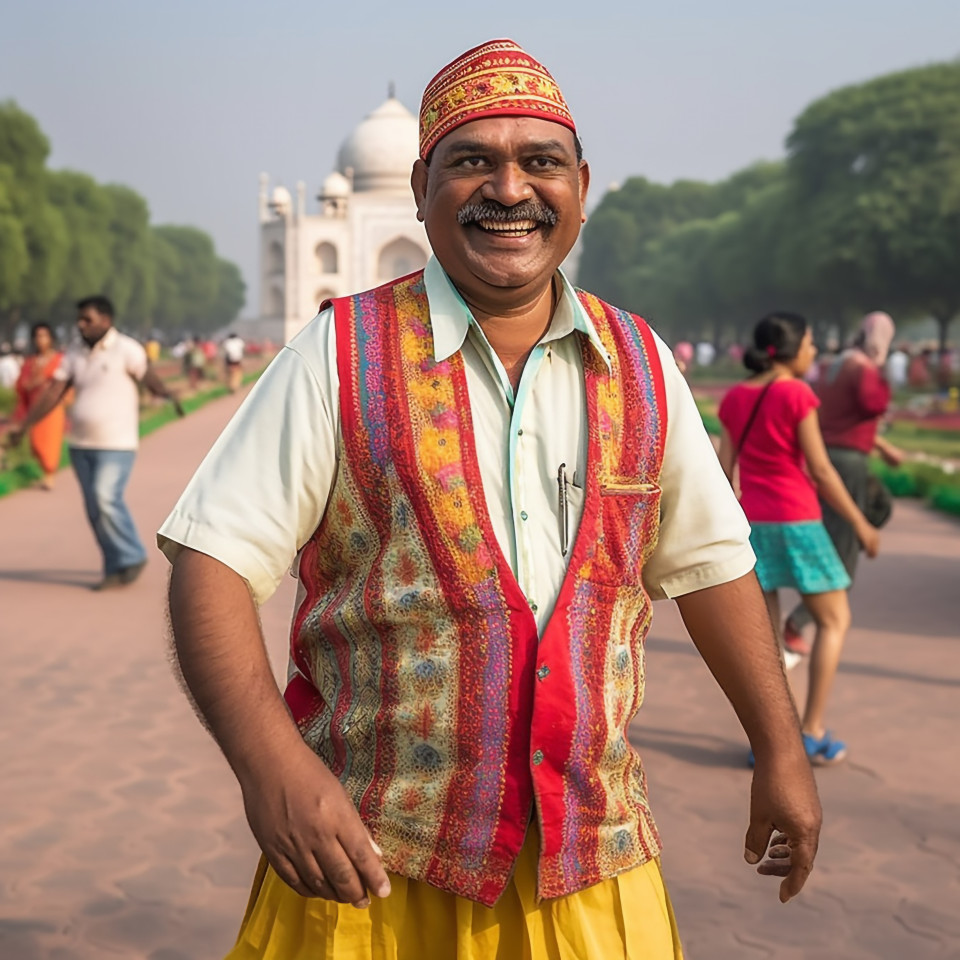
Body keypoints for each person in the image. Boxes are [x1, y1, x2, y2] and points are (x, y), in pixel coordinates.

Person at [160, 39, 821, 960]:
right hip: (372, 861)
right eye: (473, 161)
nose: (509, 190)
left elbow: (712, 567)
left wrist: (780, 747)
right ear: (418, 187)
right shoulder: (339, 355)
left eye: (540, 162)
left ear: (580, 187)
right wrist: (268, 765)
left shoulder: (640, 366)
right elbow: (213, 563)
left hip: (587, 854)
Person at [718, 312, 881, 765]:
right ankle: (811, 731)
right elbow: (821, 470)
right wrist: (861, 524)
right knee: (835, 620)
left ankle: (776, 741)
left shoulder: (735, 397)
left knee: (768, 640)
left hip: (753, 522)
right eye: (810, 343)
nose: (814, 351)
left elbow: (725, 471)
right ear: (792, 349)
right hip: (797, 519)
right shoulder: (796, 393)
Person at [10, 296, 184, 590]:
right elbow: (54, 392)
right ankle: (114, 566)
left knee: (105, 498)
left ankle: (132, 555)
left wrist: (167, 394)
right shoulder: (74, 352)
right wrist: (25, 425)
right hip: (81, 444)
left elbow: (148, 376)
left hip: (116, 443)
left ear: (106, 320)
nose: (81, 325)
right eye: (79, 319)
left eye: (87, 319)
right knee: (94, 509)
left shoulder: (126, 349)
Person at [783, 311, 900, 655]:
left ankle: (833, 566)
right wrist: (882, 373)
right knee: (846, 540)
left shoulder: (836, 364)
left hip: (832, 451)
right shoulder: (863, 368)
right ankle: (802, 619)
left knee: (867, 514)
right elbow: (874, 404)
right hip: (848, 461)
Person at [11, 322, 67, 490]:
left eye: (44, 336)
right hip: (34, 408)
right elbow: (21, 383)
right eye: (37, 336)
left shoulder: (59, 360)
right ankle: (44, 471)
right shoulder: (31, 361)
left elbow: (64, 383)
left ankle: (49, 475)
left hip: (52, 407)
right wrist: (28, 385)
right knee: (36, 441)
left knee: (50, 441)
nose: (40, 340)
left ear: (51, 338)